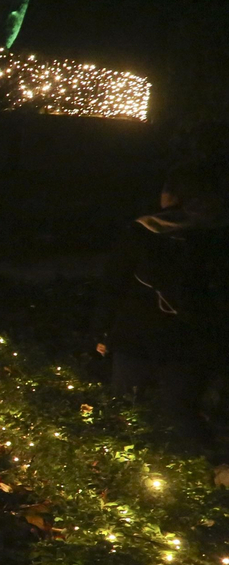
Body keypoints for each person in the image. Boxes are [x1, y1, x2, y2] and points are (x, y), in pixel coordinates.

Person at [94, 164, 229, 467]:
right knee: (179, 410)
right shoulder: (215, 235)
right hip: (188, 341)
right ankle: (203, 475)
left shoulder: (145, 232)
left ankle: (123, 472)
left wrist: (102, 331)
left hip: (142, 335)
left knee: (128, 407)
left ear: (173, 196)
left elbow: (113, 285)